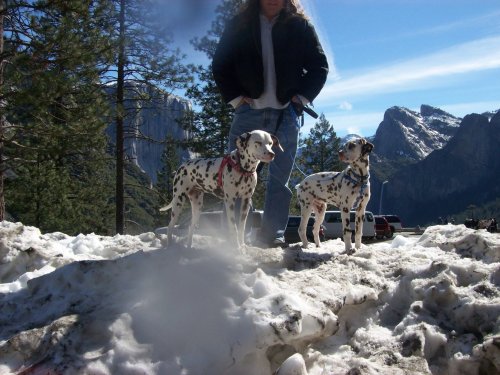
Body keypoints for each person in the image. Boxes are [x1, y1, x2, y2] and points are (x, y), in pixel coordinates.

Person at [212, 0, 328, 247]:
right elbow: (221, 64)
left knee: (280, 180)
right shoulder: (240, 24)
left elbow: (320, 66)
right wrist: (235, 99)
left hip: (286, 115)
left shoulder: (300, 26)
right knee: (236, 177)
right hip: (248, 114)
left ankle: (271, 237)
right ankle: (234, 241)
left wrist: (300, 100)